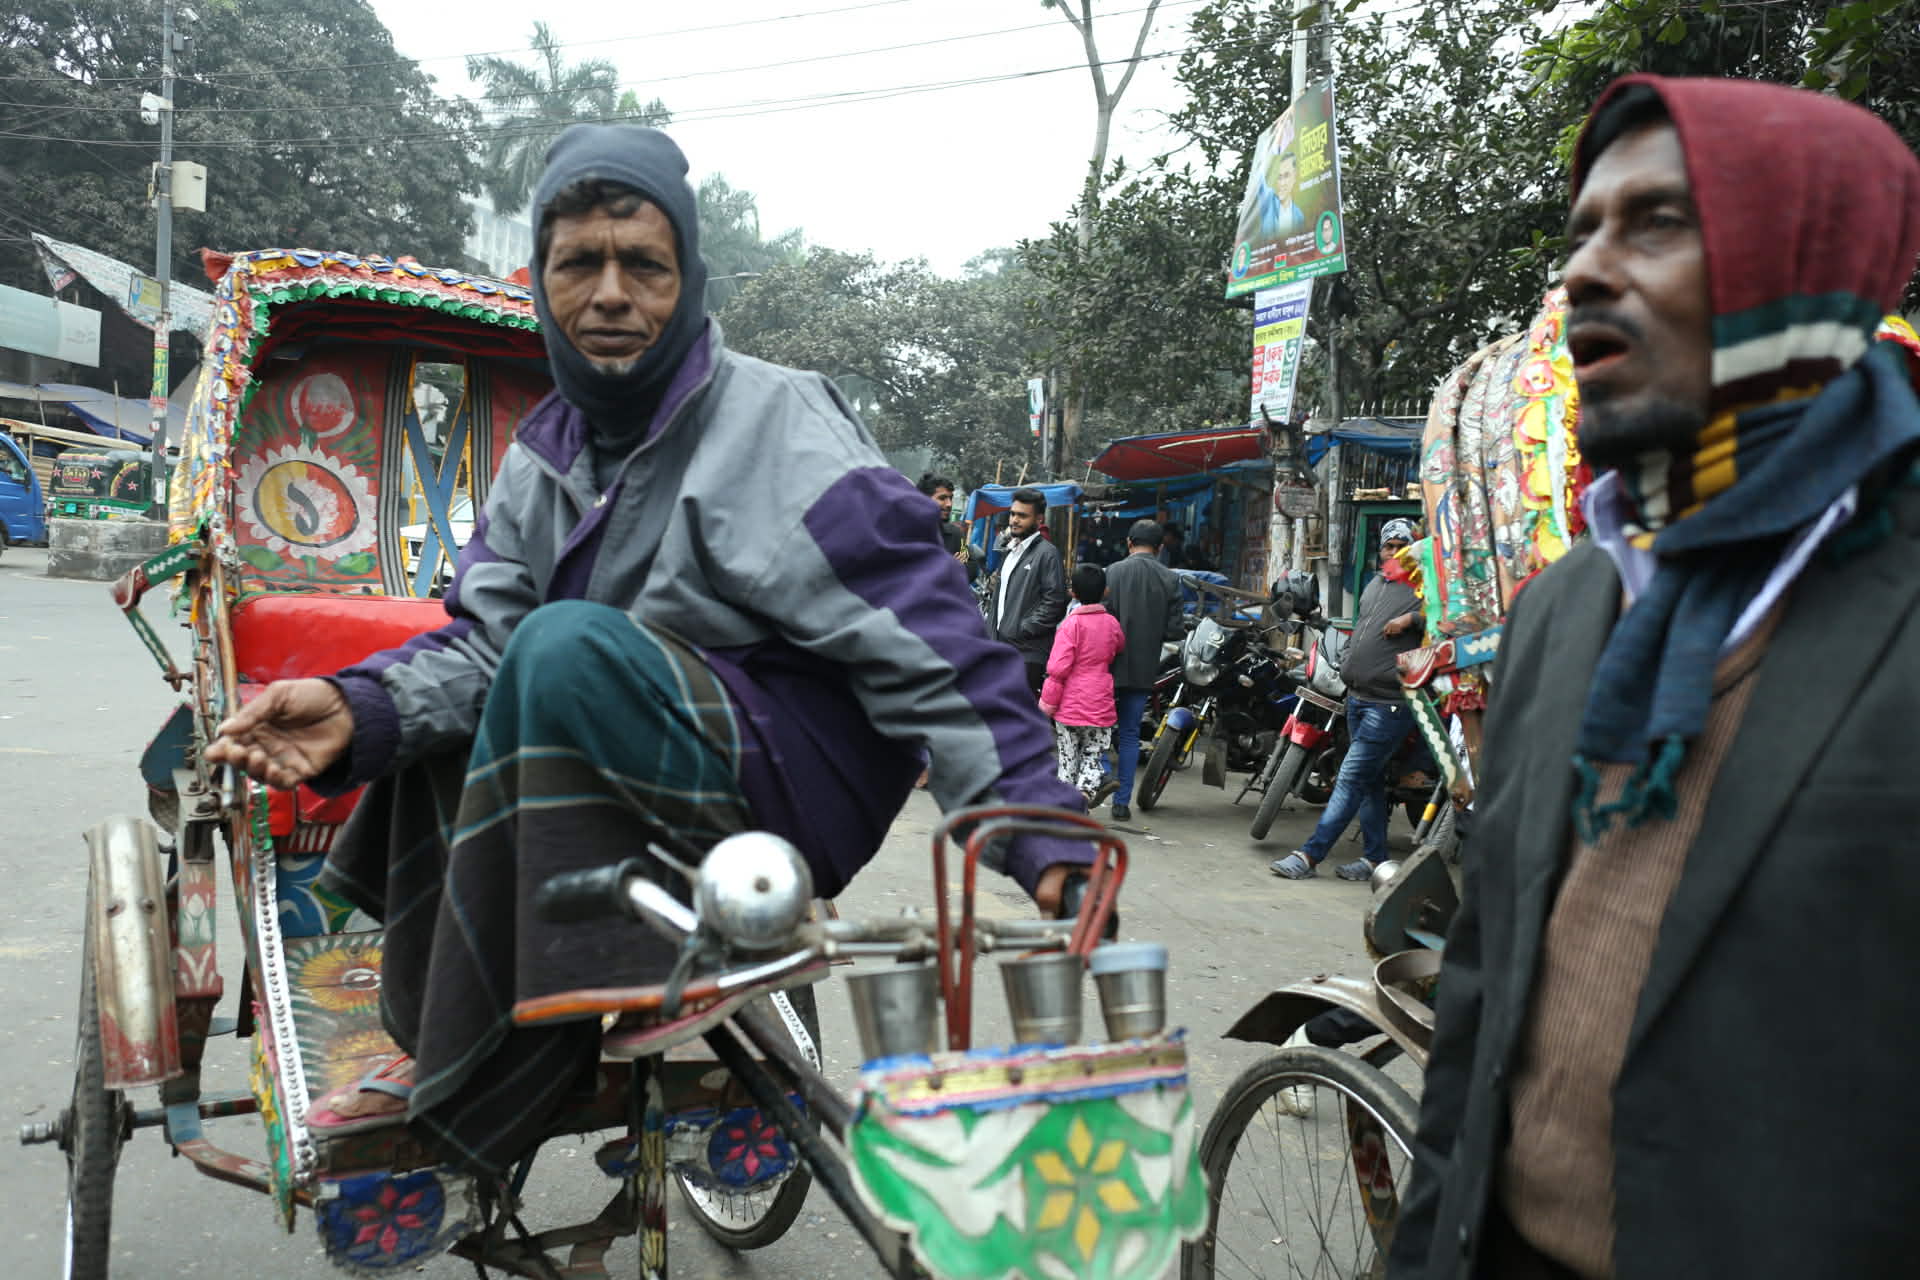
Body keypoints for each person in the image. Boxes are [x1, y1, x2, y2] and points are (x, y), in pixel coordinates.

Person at [205, 124, 1097, 1176]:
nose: (612, 294)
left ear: (690, 279)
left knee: (561, 647)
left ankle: (509, 1057)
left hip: (792, 782)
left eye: (645, 265)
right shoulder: (542, 460)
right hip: (628, 747)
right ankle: (452, 1026)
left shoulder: (779, 422)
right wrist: (362, 711)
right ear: (541, 282)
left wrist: (1038, 830)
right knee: (450, 714)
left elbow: (934, 643)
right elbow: (480, 647)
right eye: (580, 263)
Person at [1389, 76, 1920, 1280]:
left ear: (1806, 263)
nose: (1586, 269)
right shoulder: (1569, 605)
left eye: (1658, 224)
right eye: (1582, 228)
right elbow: (1476, 1005)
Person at [1270, 517, 1423, 882]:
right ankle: (1374, 860)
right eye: (1388, 546)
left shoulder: (1424, 587)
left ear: (1414, 549)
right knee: (1369, 782)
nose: (1393, 552)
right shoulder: (1375, 584)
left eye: (1401, 545)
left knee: (1351, 778)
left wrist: (1412, 621)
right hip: (1356, 696)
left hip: (1389, 704)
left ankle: (1310, 855)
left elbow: (1446, 621)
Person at [1103, 520, 1185, 822]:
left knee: (1098, 729)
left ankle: (1100, 778)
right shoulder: (1169, 578)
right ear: (1160, 547)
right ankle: (1121, 803)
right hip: (1143, 666)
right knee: (1129, 734)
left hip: (1107, 666)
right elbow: (1175, 629)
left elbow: (1099, 617)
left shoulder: (1111, 572)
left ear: (1128, 542)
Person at [1039, 564, 1128, 806]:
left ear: (1073, 593)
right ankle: (1084, 794)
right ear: (1105, 592)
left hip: (1069, 706)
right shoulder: (1111, 623)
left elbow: (1057, 670)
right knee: (1093, 755)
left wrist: (1046, 704)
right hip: (1100, 703)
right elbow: (1119, 645)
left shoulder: (1070, 625)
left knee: (1067, 758)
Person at [988, 487, 1068, 694]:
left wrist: (1023, 628)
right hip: (1001, 648)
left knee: (1016, 717)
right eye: (1013, 514)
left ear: (1039, 520)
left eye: (1022, 516)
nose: (1014, 520)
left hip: (1027, 653)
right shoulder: (1010, 550)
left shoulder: (1047, 554)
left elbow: (1055, 601)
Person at [918, 470, 975, 580]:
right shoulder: (907, 535)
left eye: (951, 498)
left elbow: (971, 566)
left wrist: (957, 569)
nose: (949, 504)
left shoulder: (956, 535)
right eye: (942, 498)